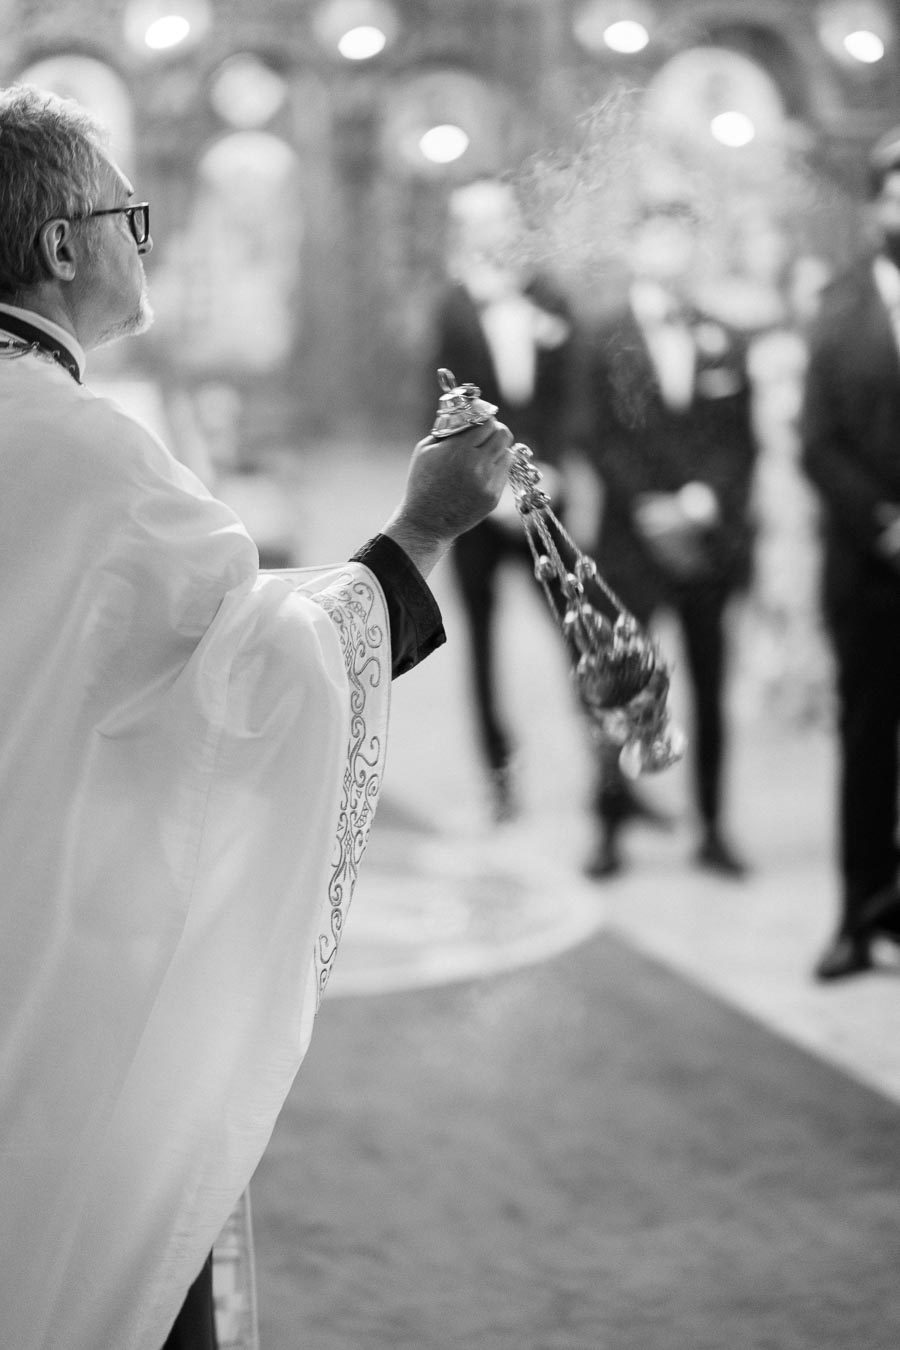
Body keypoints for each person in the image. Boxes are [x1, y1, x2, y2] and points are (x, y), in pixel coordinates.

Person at [0, 85, 510, 1350]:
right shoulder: (85, 458)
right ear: (63, 245)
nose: (146, 237)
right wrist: (425, 529)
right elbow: (249, 688)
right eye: (130, 213)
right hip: (48, 990)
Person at [579, 200, 757, 878]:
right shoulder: (603, 339)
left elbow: (737, 439)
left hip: (707, 539)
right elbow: (594, 434)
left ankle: (713, 826)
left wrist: (701, 501)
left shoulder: (725, 337)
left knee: (710, 685)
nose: (669, 252)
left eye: (681, 239)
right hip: (631, 539)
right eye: (657, 238)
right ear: (634, 245)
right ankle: (609, 822)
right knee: (620, 685)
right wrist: (650, 507)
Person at [428, 177, 578, 821]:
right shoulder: (451, 309)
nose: (489, 230)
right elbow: (434, 412)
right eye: (475, 220)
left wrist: (554, 467)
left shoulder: (551, 297)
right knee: (483, 643)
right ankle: (499, 779)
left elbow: (571, 394)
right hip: (477, 504)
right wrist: (485, 491)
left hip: (547, 491)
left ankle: (612, 780)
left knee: (577, 629)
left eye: (499, 217)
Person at [801, 127, 900, 981]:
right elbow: (817, 441)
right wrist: (884, 524)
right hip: (869, 568)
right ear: (879, 205)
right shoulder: (840, 306)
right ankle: (859, 914)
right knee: (868, 747)